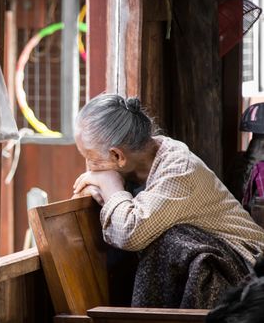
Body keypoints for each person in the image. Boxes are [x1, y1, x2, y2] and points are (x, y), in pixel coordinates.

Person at [72, 93, 264, 308]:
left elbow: (131, 234)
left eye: (90, 158)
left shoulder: (179, 169)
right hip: (226, 269)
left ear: (118, 156)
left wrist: (110, 186)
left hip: (250, 277)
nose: (89, 168)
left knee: (167, 241)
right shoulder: (140, 162)